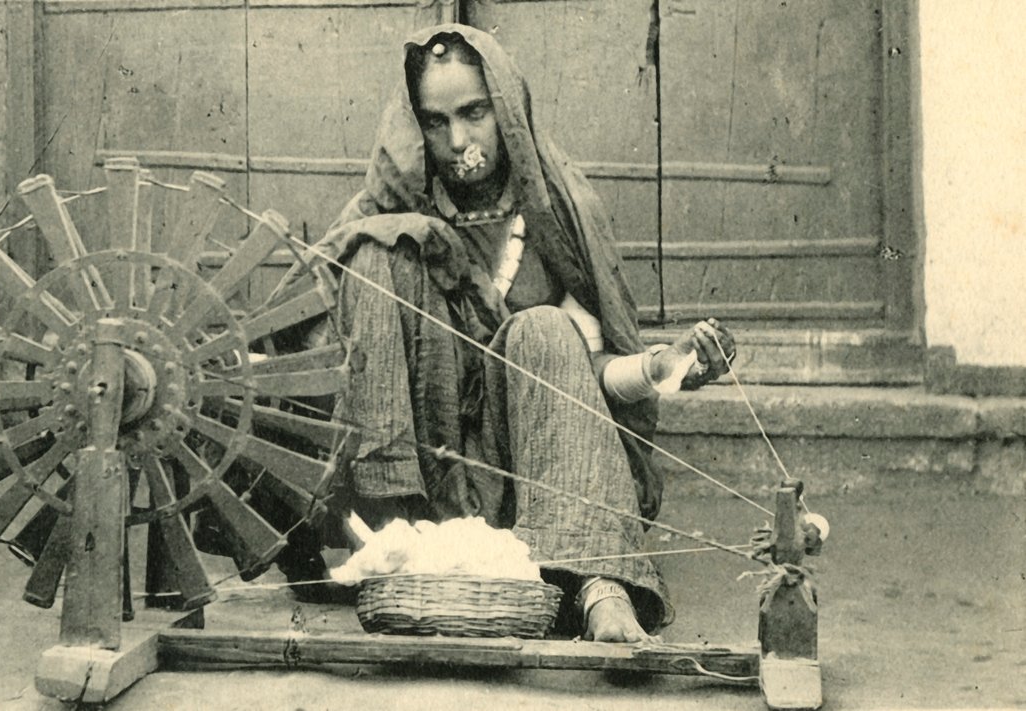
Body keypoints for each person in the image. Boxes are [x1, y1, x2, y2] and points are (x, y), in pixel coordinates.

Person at [282, 24, 735, 643]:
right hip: (414, 505)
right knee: (374, 254)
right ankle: (402, 563)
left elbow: (592, 372)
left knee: (544, 329)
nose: (458, 140)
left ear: (508, 112)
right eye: (436, 122)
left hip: (528, 491)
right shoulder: (384, 212)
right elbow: (309, 363)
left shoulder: (553, 215)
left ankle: (598, 583)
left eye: (474, 113)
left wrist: (663, 366)